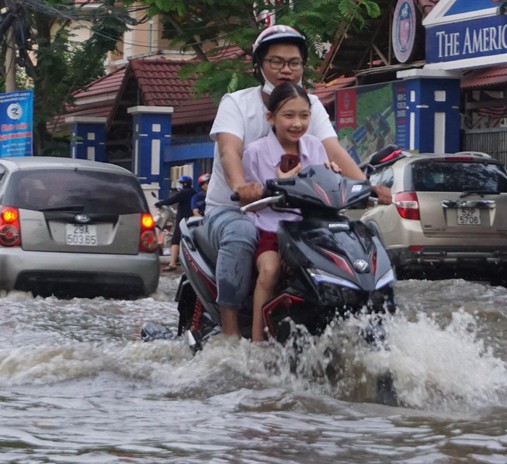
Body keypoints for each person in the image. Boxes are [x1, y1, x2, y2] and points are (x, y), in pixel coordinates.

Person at [205, 25, 391, 338]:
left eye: (294, 62)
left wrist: (367, 186)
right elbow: (229, 152)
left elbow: (332, 150)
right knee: (241, 233)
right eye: (276, 62)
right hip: (235, 209)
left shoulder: (310, 104)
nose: (286, 70)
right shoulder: (236, 103)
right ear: (259, 65)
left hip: (293, 210)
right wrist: (241, 187)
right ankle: (232, 333)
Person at [243, 82, 336, 341]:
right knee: (270, 271)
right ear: (271, 117)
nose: (297, 123)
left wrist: (332, 176)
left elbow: (323, 190)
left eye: (304, 115)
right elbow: (250, 202)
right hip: (271, 230)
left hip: (309, 231)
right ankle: (257, 343)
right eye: (289, 115)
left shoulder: (316, 147)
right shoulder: (255, 152)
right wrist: (279, 182)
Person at [155, 175, 196, 271]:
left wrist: (160, 203)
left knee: (175, 240)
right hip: (191, 219)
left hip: (182, 219)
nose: (180, 185)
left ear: (185, 184)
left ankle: (172, 263)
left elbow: (171, 200)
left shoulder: (183, 193)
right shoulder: (193, 192)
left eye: (181, 183)